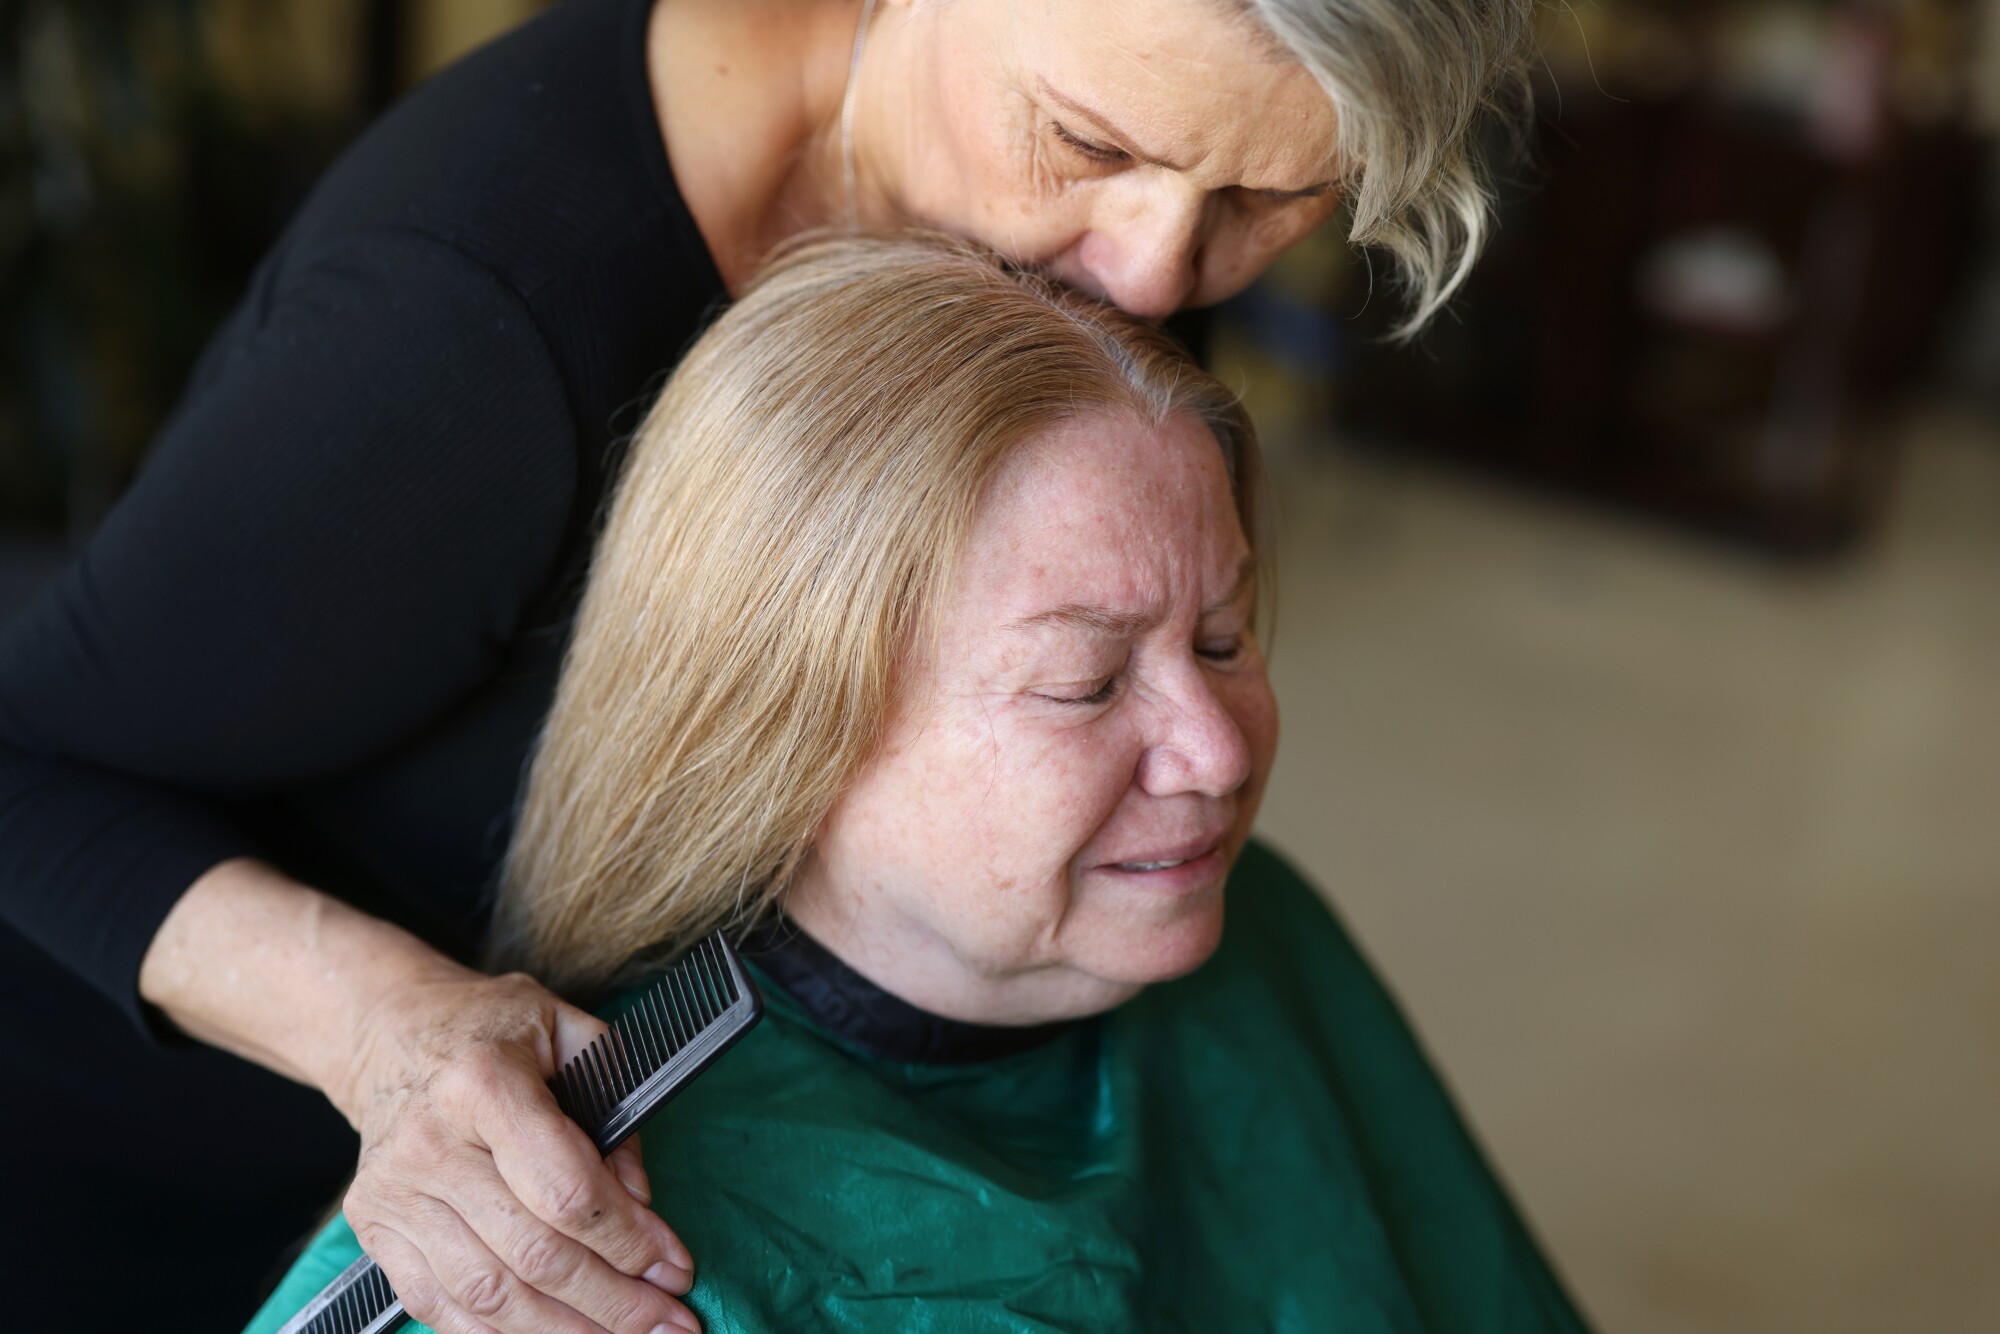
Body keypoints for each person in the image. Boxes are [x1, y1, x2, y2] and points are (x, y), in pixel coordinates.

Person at [0, 1, 1536, 1329]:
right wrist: (387, 1034)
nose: (1145, 276)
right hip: (184, 1152)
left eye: (1273, 197)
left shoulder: (1121, 183)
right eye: (1086, 143)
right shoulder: (477, 319)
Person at [241, 229, 1589, 1334]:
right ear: (790, 726)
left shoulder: (1262, 933)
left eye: (1225, 638)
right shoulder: (554, 1248)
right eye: (1087, 681)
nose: (1223, 751)